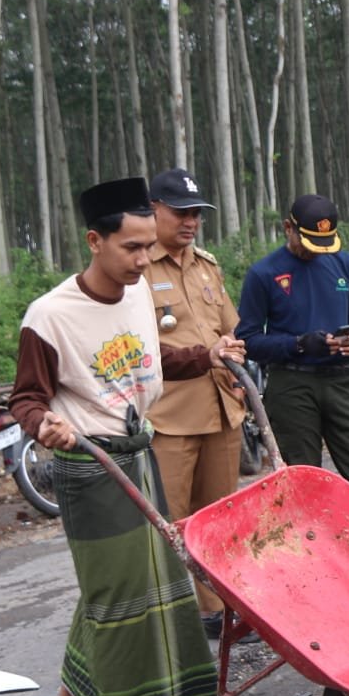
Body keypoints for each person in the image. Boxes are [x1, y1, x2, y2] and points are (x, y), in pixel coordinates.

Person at [10, 177, 244, 696]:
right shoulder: (50, 316)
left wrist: (207, 356)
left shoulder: (137, 294)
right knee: (124, 600)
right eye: (131, 247)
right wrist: (44, 425)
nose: (143, 259)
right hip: (91, 466)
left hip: (137, 454)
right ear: (95, 241)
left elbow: (149, 360)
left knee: (112, 592)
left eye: (147, 246)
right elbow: (25, 397)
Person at [142, 167, 248, 644]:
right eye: (180, 213)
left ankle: (217, 610)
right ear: (154, 211)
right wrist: (208, 354)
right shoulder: (138, 269)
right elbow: (137, 349)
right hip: (170, 417)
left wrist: (235, 357)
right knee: (167, 524)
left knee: (219, 520)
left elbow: (231, 328)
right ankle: (161, 621)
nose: (190, 222)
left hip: (221, 406)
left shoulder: (206, 265)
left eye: (196, 214)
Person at [234, 194, 349, 509]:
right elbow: (248, 340)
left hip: (340, 382)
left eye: (324, 243)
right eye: (309, 242)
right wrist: (299, 343)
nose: (316, 250)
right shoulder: (264, 273)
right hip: (291, 386)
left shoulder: (346, 265)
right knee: (302, 485)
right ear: (288, 228)